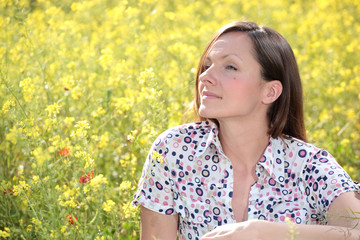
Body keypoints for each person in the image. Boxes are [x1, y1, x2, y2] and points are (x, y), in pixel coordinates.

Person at [131, 20, 360, 240]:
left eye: (230, 66)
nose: (204, 76)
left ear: (270, 92)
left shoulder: (308, 166)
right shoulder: (174, 150)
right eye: (207, 65)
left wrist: (265, 234)